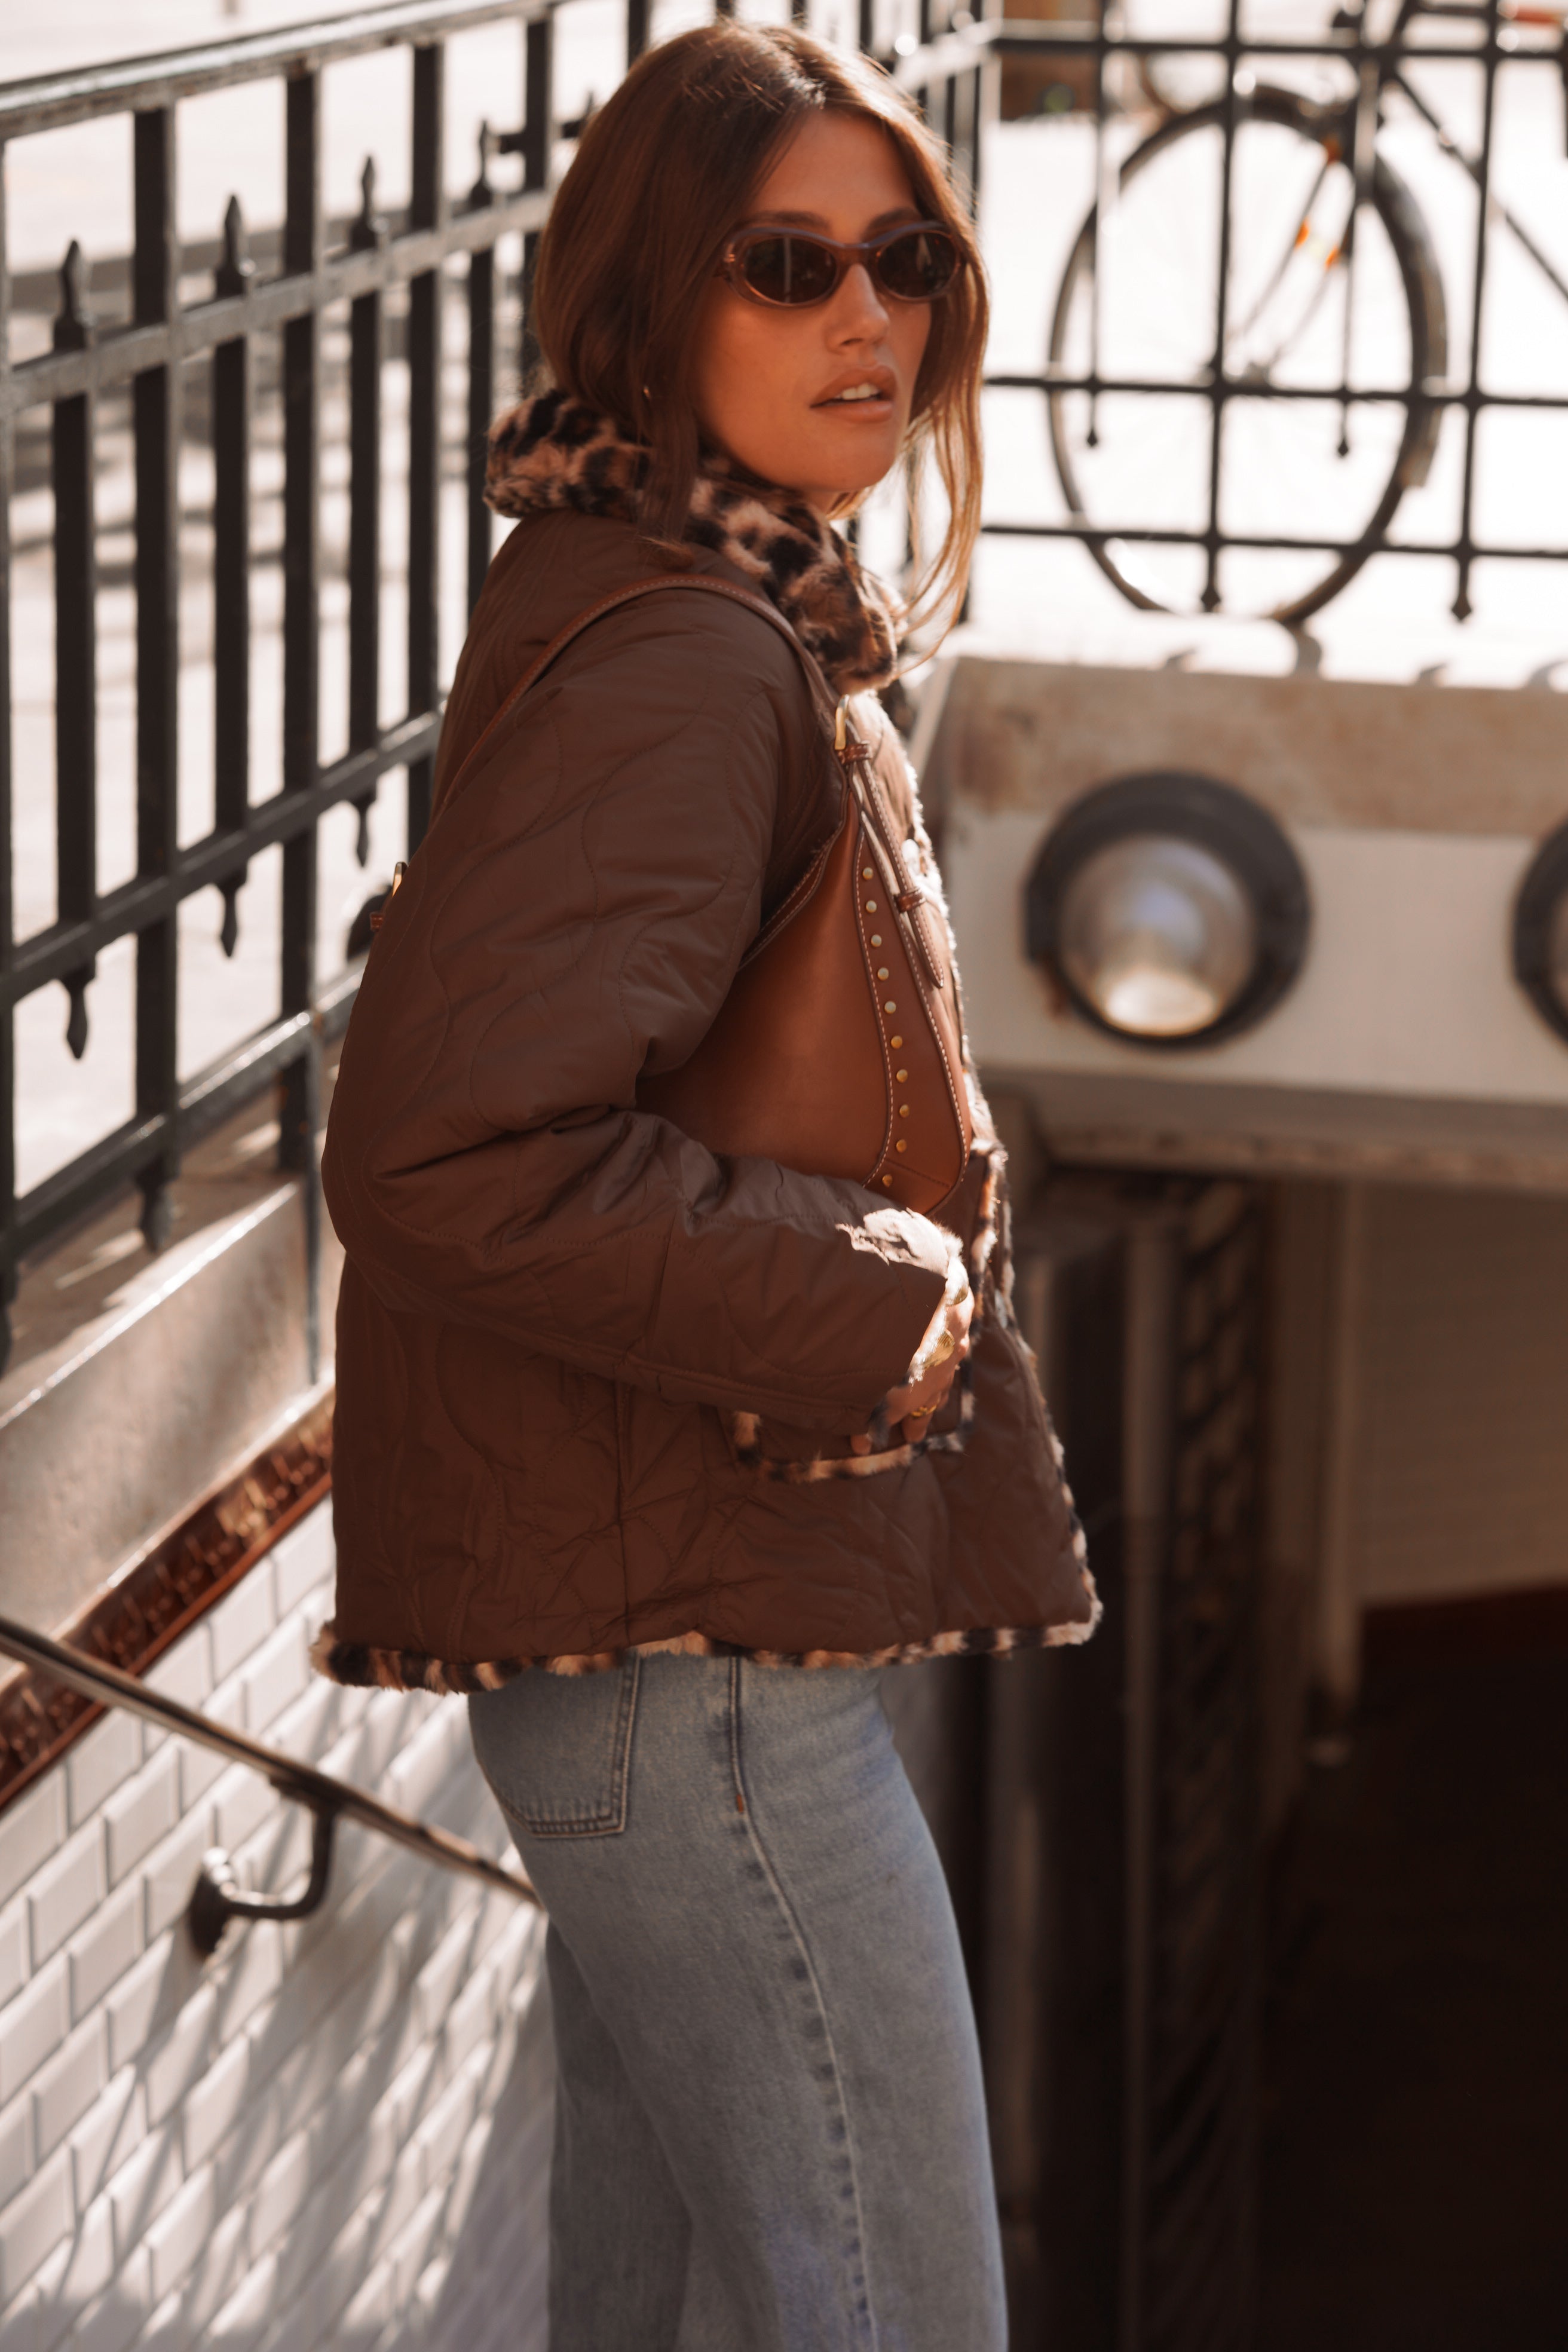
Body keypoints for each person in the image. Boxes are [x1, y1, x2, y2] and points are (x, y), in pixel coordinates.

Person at [315, 22, 1097, 2349]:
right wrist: (878, 1300)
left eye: (905, 261)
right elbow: (446, 1149)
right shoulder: (687, 655)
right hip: (699, 1684)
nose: (871, 318)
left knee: (664, 2310)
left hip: (671, 1639)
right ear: (651, 310)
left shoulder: (687, 602)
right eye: (788, 265)